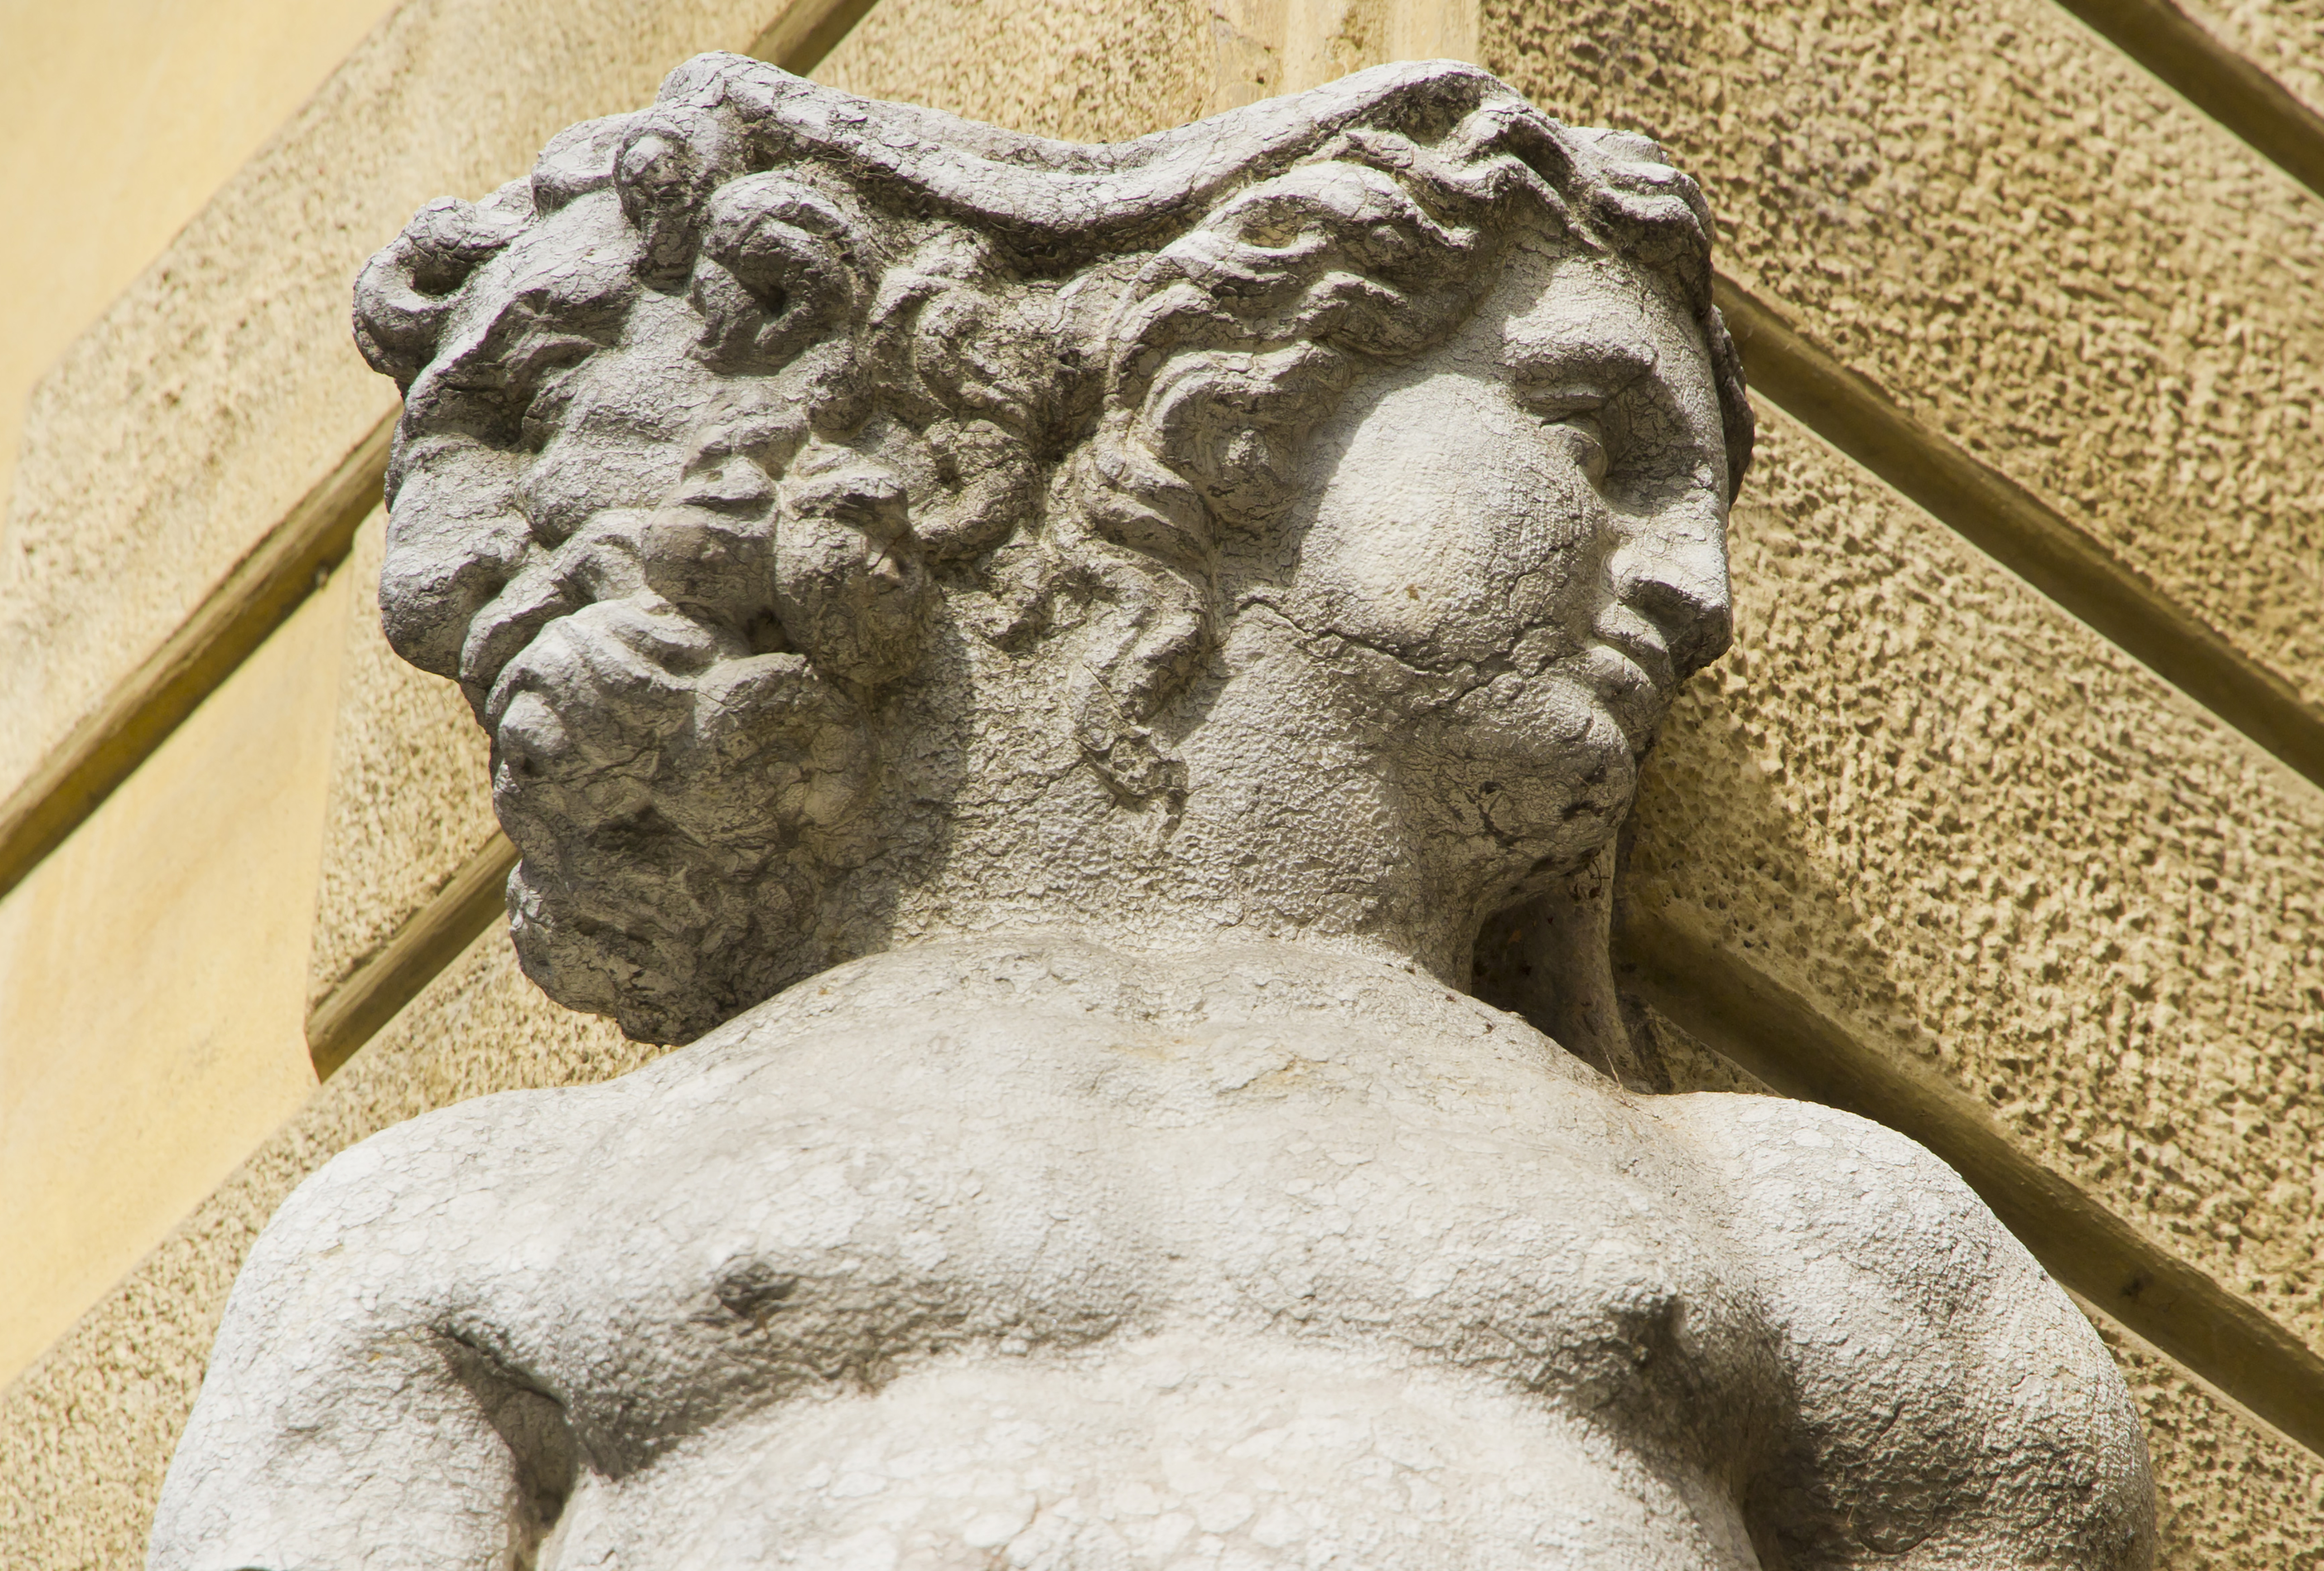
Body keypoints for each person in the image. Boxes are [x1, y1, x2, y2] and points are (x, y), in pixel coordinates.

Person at [151, 56, 2152, 1570]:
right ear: (1225, 408)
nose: (1689, 580)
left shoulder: (1813, 1228)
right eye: (1595, 434)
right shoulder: (469, 1221)